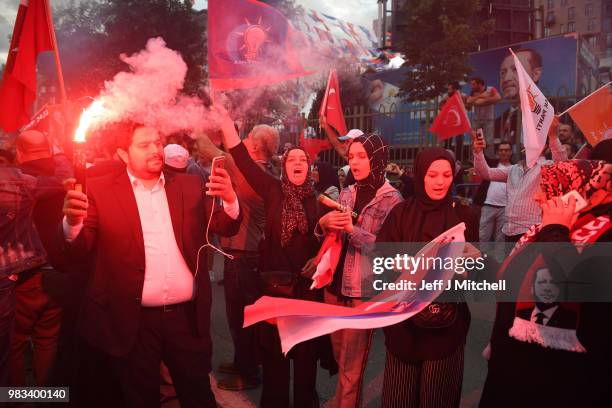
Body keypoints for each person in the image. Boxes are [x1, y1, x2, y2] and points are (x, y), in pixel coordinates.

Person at [61, 121, 242, 407]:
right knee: (139, 397)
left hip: (186, 319)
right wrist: (72, 222)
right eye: (144, 145)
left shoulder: (189, 184)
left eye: (157, 143)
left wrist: (230, 200)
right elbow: (80, 248)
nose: (155, 149)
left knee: (198, 395)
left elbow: (223, 226)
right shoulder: (100, 190)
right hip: (133, 322)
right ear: (123, 154)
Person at [480, 158, 612, 408]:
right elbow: (516, 282)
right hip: (510, 373)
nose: (537, 198)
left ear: (575, 196)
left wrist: (556, 232)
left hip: (555, 383)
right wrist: (481, 261)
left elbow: (572, 285)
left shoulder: (603, 237)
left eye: (546, 189)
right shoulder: (542, 231)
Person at [220, 109, 327, 408]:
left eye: (302, 160)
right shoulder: (272, 190)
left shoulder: (320, 201)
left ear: (309, 167)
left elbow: (334, 243)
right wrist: (224, 118)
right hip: (276, 293)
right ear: (283, 166)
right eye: (292, 159)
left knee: (306, 372)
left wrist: (320, 257)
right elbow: (240, 157)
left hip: (308, 297)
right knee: (277, 370)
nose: (297, 163)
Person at [376, 148, 478, 408]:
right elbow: (380, 260)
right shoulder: (400, 213)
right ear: (420, 175)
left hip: (446, 327)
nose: (440, 181)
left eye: (446, 174)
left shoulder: (464, 215)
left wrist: (473, 262)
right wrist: (396, 264)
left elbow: (477, 274)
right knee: (399, 398)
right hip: (403, 324)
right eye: (432, 175)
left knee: (437, 398)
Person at [192, 124, 280, 391]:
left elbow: (205, 146)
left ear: (253, 147)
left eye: (247, 137)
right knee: (243, 316)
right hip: (251, 256)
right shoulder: (267, 171)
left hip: (243, 256)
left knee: (240, 317)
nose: (241, 140)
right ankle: (243, 362)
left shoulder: (246, 170)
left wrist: (194, 117)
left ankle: (248, 372)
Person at [317, 133, 403, 408]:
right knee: (341, 360)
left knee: (351, 371)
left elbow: (387, 251)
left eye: (361, 156)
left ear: (376, 159)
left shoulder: (392, 199)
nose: (354, 162)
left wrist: (353, 231)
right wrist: (323, 223)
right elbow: (328, 236)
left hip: (361, 292)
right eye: (351, 156)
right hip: (333, 287)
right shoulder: (347, 191)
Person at [10, 130, 73, 387]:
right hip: (58, 272)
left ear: (20, 153)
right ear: (48, 151)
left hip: (21, 277)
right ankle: (45, 396)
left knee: (15, 341)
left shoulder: (12, 185)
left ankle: (19, 401)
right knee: (48, 339)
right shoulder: (68, 180)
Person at [473, 119, 567, 242]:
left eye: (532, 141)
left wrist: (553, 135)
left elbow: (562, 164)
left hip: (532, 230)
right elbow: (486, 173)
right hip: (509, 230)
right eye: (526, 140)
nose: (527, 143)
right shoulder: (514, 169)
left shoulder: (547, 167)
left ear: (543, 146)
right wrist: (478, 152)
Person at [494, 48, 543, 148]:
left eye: (515, 69)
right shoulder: (498, 122)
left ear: (536, 74)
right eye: (503, 73)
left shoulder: (549, 113)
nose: (506, 78)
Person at [474, 142, 513, 260]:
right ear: (497, 152)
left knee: (500, 239)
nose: (504, 152)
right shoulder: (491, 165)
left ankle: (498, 264)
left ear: (511, 152)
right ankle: (482, 261)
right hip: (488, 206)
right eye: (501, 150)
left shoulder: (515, 168)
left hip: (505, 208)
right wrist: (478, 148)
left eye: (506, 150)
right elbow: (480, 160)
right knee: (484, 237)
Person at [466, 77, 501, 157]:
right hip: (476, 119)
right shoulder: (473, 92)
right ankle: (474, 158)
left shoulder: (491, 89)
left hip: (488, 119)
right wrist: (481, 96)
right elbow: (469, 101)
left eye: (473, 84)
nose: (472, 86)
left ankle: (489, 158)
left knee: (489, 140)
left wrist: (484, 101)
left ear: (479, 84)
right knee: (475, 139)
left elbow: (498, 97)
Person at [440, 81, 468, 159]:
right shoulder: (446, 97)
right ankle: (447, 158)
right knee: (447, 142)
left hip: (460, 122)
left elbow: (468, 105)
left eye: (450, 89)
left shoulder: (463, 96)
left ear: (455, 89)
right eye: (448, 89)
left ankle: (459, 160)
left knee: (459, 142)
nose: (448, 91)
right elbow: (440, 107)